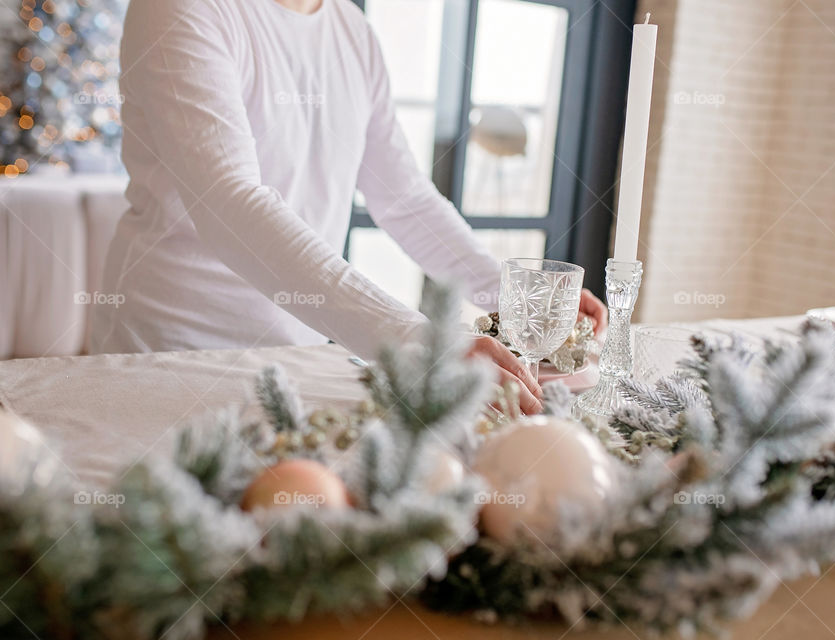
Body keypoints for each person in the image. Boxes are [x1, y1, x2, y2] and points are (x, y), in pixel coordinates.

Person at [92, 0, 607, 414]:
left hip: (301, 357)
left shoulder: (352, 29)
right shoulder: (179, 9)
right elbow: (230, 199)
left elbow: (402, 195)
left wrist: (519, 296)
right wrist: (417, 340)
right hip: (172, 355)